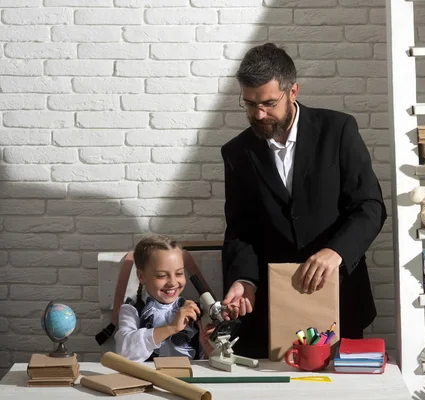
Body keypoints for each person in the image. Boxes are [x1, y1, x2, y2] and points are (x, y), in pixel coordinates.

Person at [220, 42, 387, 359]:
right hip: (271, 307)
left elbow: (370, 206)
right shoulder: (236, 153)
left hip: (341, 297)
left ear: (293, 91)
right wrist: (244, 280)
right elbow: (240, 230)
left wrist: (336, 251)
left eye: (269, 103)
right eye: (250, 104)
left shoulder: (338, 130)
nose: (259, 114)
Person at [115, 235, 212, 362]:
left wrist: (208, 348)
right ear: (141, 276)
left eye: (179, 273)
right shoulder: (131, 310)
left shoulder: (196, 310)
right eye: (161, 275)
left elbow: (204, 362)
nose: (172, 282)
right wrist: (171, 328)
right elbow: (124, 353)